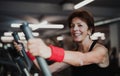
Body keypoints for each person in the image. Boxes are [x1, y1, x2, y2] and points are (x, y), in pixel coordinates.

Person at [14, 9, 110, 76]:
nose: (75, 29)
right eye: (72, 26)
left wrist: (50, 52)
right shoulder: (74, 52)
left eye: (80, 25)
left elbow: (81, 59)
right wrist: (29, 51)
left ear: (90, 30)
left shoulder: (101, 51)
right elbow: (49, 69)